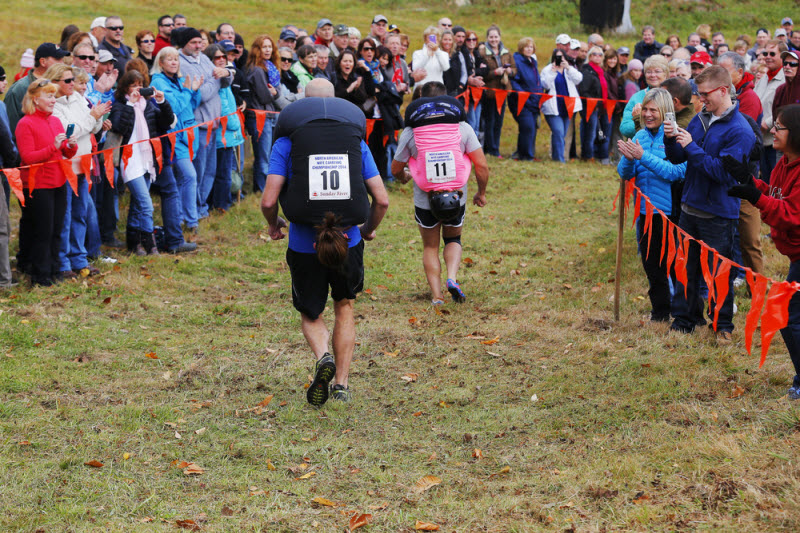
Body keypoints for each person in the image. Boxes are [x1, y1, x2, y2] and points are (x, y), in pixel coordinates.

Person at [261, 79, 389, 405]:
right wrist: (369, 229)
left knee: (310, 312)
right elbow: (382, 199)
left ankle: (323, 357)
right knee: (344, 306)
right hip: (349, 240)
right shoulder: (355, 141)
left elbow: (267, 200)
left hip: (305, 243)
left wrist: (274, 224)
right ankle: (342, 386)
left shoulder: (286, 142)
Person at [664, 66, 756, 343]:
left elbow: (722, 173)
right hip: (690, 207)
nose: (701, 100)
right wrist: (672, 139)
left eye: (705, 94)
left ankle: (722, 325)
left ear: (723, 90)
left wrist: (691, 146)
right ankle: (685, 320)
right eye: (699, 94)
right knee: (685, 268)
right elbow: (680, 158)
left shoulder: (741, 131)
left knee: (719, 273)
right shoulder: (701, 119)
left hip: (718, 213)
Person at [723, 105, 800, 399]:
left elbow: (791, 213)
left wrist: (755, 197)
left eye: (779, 127)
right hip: (796, 256)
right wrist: (750, 182)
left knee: (788, 315)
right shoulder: (784, 163)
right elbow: (775, 194)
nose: (770, 130)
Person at [391, 82, 489, 304]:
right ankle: (452, 278)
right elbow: (481, 166)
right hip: (456, 196)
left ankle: (437, 296)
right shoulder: (462, 127)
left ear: (421, 98)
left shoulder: (410, 131)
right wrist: (481, 193)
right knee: (453, 238)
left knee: (430, 246)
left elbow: (395, 168)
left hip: (425, 199)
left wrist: (404, 176)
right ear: (448, 98)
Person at [617, 88, 687, 321]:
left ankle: (684, 312)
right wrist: (628, 160)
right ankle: (660, 311)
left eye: (653, 110)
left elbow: (676, 172)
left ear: (665, 111)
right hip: (645, 212)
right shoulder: (640, 137)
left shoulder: (676, 137)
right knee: (652, 265)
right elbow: (625, 174)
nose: (647, 114)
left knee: (676, 265)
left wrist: (642, 156)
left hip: (670, 213)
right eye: (645, 109)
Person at [48, 63, 110, 278]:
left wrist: (98, 115)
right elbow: (69, 132)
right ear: (55, 82)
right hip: (65, 168)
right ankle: (63, 263)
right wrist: (91, 117)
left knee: (80, 214)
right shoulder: (53, 105)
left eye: (72, 80)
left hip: (83, 166)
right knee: (65, 217)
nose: (72, 84)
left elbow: (91, 128)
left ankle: (80, 259)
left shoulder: (78, 98)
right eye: (67, 81)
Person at [15, 79, 78, 286]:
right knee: (43, 230)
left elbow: (63, 153)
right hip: (37, 184)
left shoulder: (55, 121)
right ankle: (40, 275)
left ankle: (54, 269)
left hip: (58, 181)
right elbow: (28, 157)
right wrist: (53, 146)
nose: (53, 100)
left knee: (57, 228)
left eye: (54, 96)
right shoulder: (25, 123)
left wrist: (71, 146)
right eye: (49, 96)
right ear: (36, 99)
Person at [109, 71, 178, 255]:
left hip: (147, 160)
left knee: (139, 205)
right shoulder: (121, 106)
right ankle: (150, 244)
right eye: (133, 85)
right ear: (125, 87)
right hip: (129, 161)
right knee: (146, 204)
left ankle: (135, 244)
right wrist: (130, 104)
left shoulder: (147, 106)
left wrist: (162, 102)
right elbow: (118, 127)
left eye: (141, 84)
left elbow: (168, 123)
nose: (137, 88)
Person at [179, 27, 231, 221]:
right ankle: (191, 210)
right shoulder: (182, 64)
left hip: (213, 123)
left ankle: (201, 207)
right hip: (198, 126)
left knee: (210, 171)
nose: (198, 46)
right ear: (184, 44)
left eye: (200, 42)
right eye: (194, 42)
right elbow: (200, 95)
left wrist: (225, 72)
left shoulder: (204, 58)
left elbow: (226, 80)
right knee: (198, 172)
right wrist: (216, 80)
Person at [151, 46, 203, 233]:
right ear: (161, 62)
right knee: (190, 176)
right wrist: (188, 92)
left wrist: (194, 91)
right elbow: (174, 106)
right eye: (169, 59)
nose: (174, 62)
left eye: (176, 59)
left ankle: (180, 217)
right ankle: (191, 220)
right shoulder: (158, 82)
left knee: (184, 178)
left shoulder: (181, 79)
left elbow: (194, 103)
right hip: (175, 136)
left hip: (190, 134)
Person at [6, 43, 70, 137]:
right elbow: (10, 129)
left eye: (62, 59)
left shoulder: (62, 83)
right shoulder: (20, 89)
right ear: (43, 62)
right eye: (57, 59)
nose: (62, 63)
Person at [244, 35, 280, 193]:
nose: (268, 50)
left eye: (270, 46)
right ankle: (262, 189)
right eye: (264, 47)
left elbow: (273, 91)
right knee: (263, 156)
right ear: (256, 50)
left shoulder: (269, 67)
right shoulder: (257, 70)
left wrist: (275, 92)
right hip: (260, 117)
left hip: (270, 115)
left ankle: (268, 187)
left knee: (270, 155)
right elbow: (265, 96)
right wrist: (275, 93)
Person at [541, 48, 582, 162]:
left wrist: (568, 68)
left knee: (562, 134)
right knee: (558, 131)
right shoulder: (548, 70)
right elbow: (545, 84)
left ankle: (556, 156)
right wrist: (553, 72)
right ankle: (560, 159)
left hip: (567, 107)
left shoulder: (569, 69)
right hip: (553, 107)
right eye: (557, 57)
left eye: (562, 57)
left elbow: (579, 79)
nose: (560, 60)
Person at [755, 39, 789, 182]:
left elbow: (785, 107)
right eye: (765, 53)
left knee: (776, 180)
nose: (767, 56)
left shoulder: (786, 78)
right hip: (761, 139)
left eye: (772, 53)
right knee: (766, 179)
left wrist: (767, 123)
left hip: (776, 140)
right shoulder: (764, 78)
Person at [480, 25, 514, 157]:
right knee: (490, 121)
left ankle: (496, 148)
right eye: (491, 37)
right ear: (487, 38)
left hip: (503, 91)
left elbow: (515, 69)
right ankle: (491, 149)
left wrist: (510, 71)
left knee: (499, 122)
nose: (494, 39)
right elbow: (482, 73)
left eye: (496, 37)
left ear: (500, 37)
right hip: (490, 93)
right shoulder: (483, 52)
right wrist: (495, 72)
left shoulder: (506, 52)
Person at [621, 54, 669, 139]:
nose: (652, 75)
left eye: (657, 71)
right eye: (649, 72)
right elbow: (625, 129)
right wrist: (640, 119)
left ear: (665, 74)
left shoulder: (672, 95)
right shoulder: (637, 97)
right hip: (640, 146)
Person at [510, 37, 541, 161]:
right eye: (526, 47)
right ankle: (526, 156)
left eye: (531, 47)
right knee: (527, 126)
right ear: (521, 48)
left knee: (532, 126)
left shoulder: (532, 61)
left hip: (534, 100)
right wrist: (523, 95)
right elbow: (514, 81)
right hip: (521, 101)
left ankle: (524, 153)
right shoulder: (517, 60)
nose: (529, 49)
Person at [578, 45, 610, 163]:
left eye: (600, 54)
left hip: (600, 107)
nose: (597, 56)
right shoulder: (587, 70)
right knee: (590, 132)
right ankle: (587, 156)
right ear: (590, 56)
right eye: (594, 54)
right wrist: (594, 103)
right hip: (590, 107)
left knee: (597, 132)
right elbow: (584, 90)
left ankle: (594, 154)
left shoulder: (600, 71)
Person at [462, 30, 488, 133]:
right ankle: (470, 148)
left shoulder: (476, 53)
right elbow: (467, 72)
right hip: (468, 94)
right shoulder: (463, 54)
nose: (471, 41)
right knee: (471, 123)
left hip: (478, 94)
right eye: (469, 39)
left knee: (477, 123)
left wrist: (476, 71)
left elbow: (486, 69)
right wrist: (478, 70)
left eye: (474, 39)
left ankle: (476, 148)